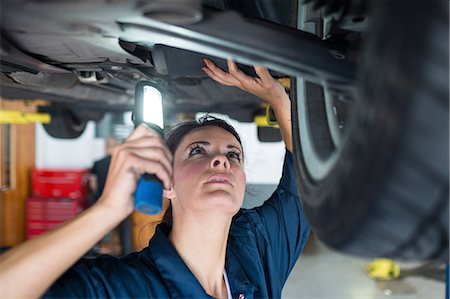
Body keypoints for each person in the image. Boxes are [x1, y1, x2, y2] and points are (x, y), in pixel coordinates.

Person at [0, 59, 311, 299]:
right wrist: (107, 209)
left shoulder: (256, 245)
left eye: (233, 155)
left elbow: (304, 185)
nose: (221, 160)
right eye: (197, 151)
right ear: (167, 182)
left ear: (243, 182)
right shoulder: (124, 287)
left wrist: (279, 101)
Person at [89, 137, 133, 256]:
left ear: (106, 148)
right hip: (122, 200)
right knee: (125, 229)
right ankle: (126, 253)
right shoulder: (123, 164)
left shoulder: (97, 163)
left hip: (101, 201)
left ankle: (95, 250)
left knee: (99, 227)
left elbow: (93, 184)